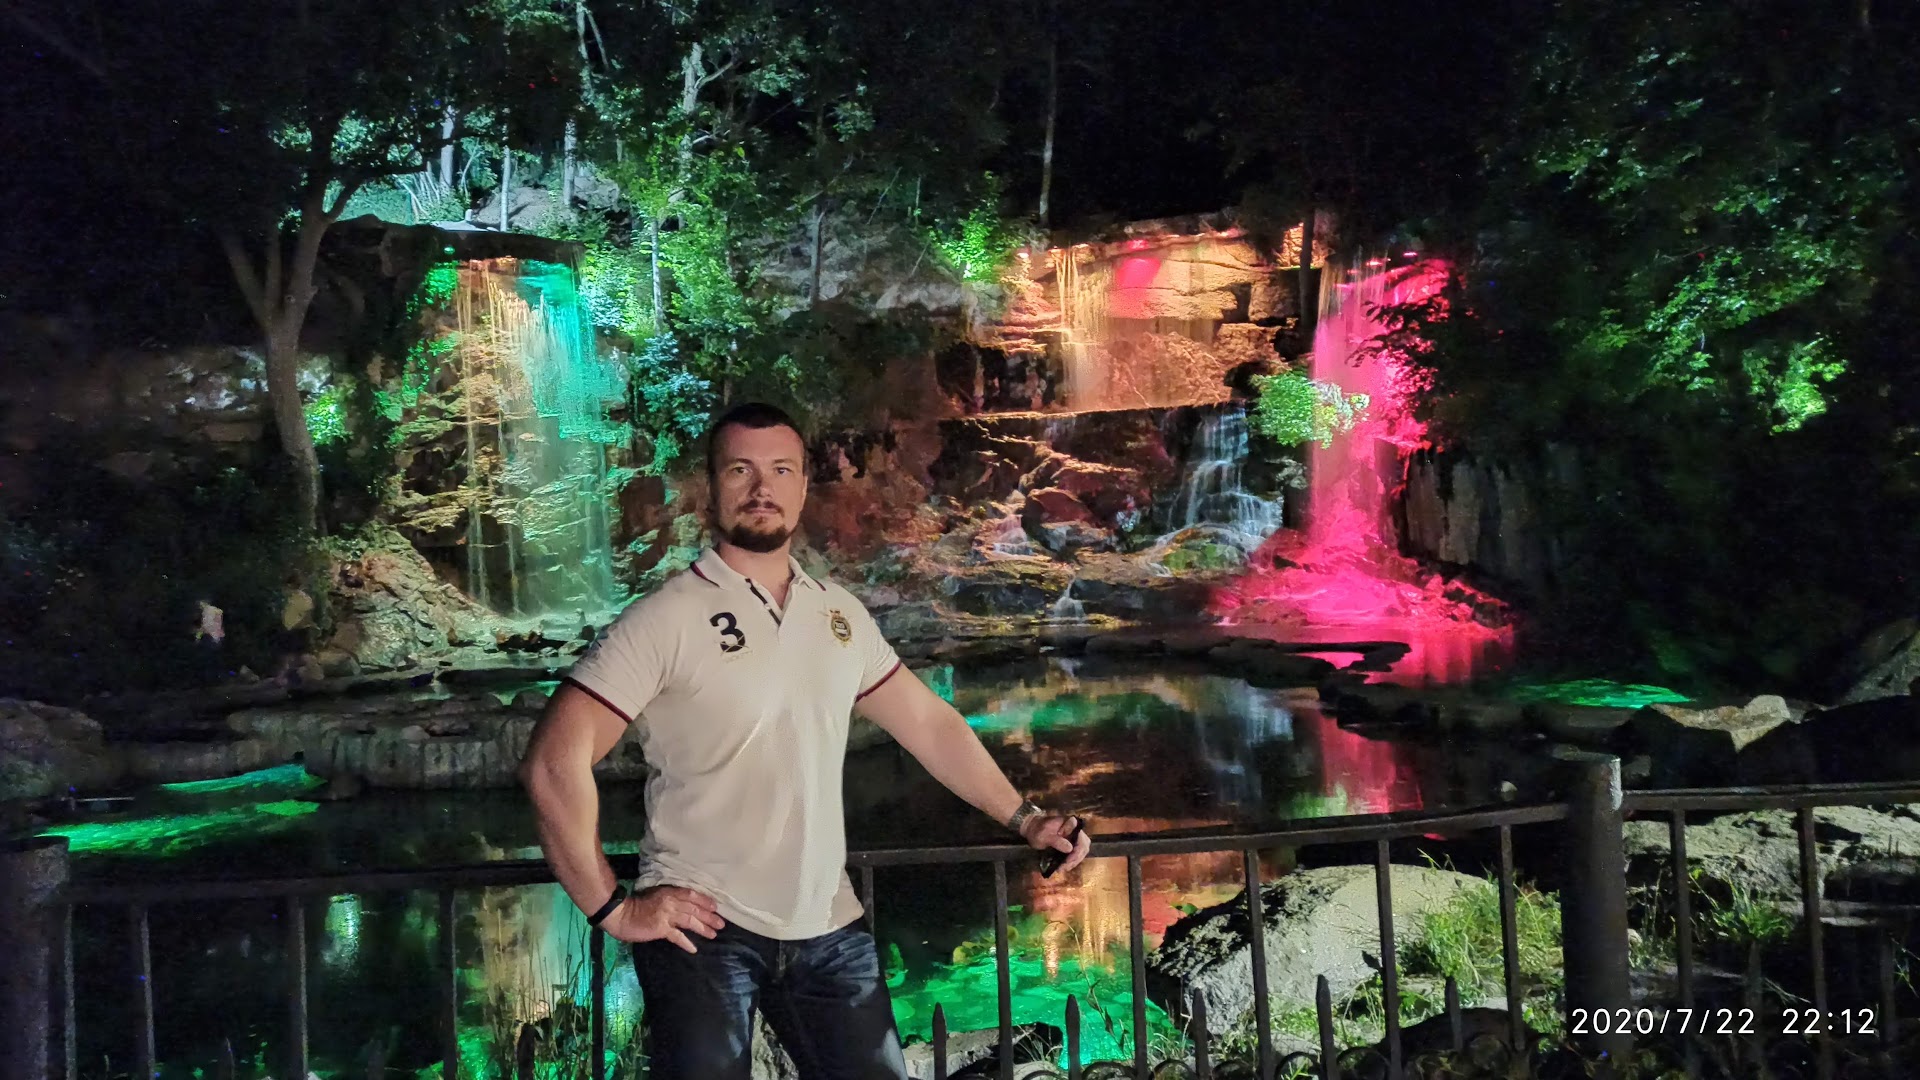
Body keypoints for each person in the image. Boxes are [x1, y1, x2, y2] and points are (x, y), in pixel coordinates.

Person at [519, 402, 1091, 1079]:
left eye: (781, 470)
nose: (762, 487)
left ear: (802, 488)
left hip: (828, 925)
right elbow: (553, 761)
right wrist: (612, 908)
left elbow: (931, 725)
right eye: (741, 470)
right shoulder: (666, 617)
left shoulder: (838, 614)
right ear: (710, 489)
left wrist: (1025, 819)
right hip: (703, 929)